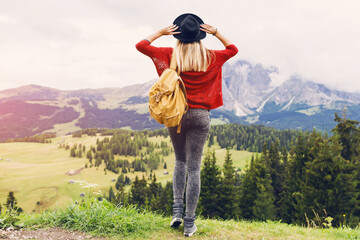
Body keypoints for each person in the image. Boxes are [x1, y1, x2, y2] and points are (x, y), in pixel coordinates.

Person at [136, 13, 238, 237]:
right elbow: (233, 50)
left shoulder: (169, 55)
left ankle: (176, 213)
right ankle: (189, 224)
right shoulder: (211, 57)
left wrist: (161, 33)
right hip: (201, 117)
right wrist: (217, 32)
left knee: (180, 161)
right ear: (200, 36)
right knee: (194, 168)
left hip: (176, 114)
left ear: (178, 36)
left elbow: (141, 45)